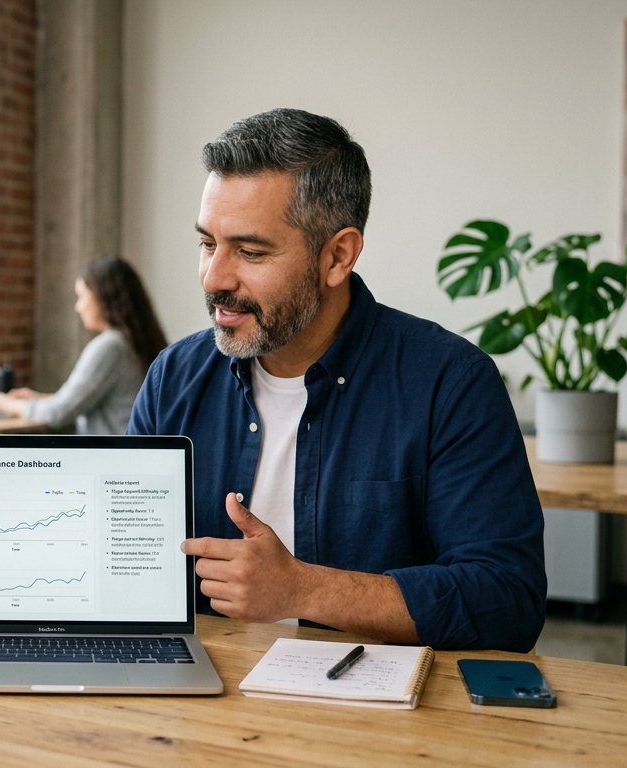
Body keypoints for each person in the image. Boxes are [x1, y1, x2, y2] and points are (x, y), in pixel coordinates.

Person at [129, 109, 546, 651]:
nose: (215, 278)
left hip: (379, 721)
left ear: (338, 256)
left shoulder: (450, 382)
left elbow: (507, 600)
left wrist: (303, 589)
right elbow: (129, 565)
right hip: (203, 703)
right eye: (208, 243)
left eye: (250, 252)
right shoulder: (174, 378)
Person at [0, 256, 168, 434]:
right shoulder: (136, 341)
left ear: (104, 298)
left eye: (82, 296)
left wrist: (4, 403)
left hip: (106, 461)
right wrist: (38, 397)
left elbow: (58, 413)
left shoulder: (110, 347)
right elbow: (84, 401)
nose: (79, 306)